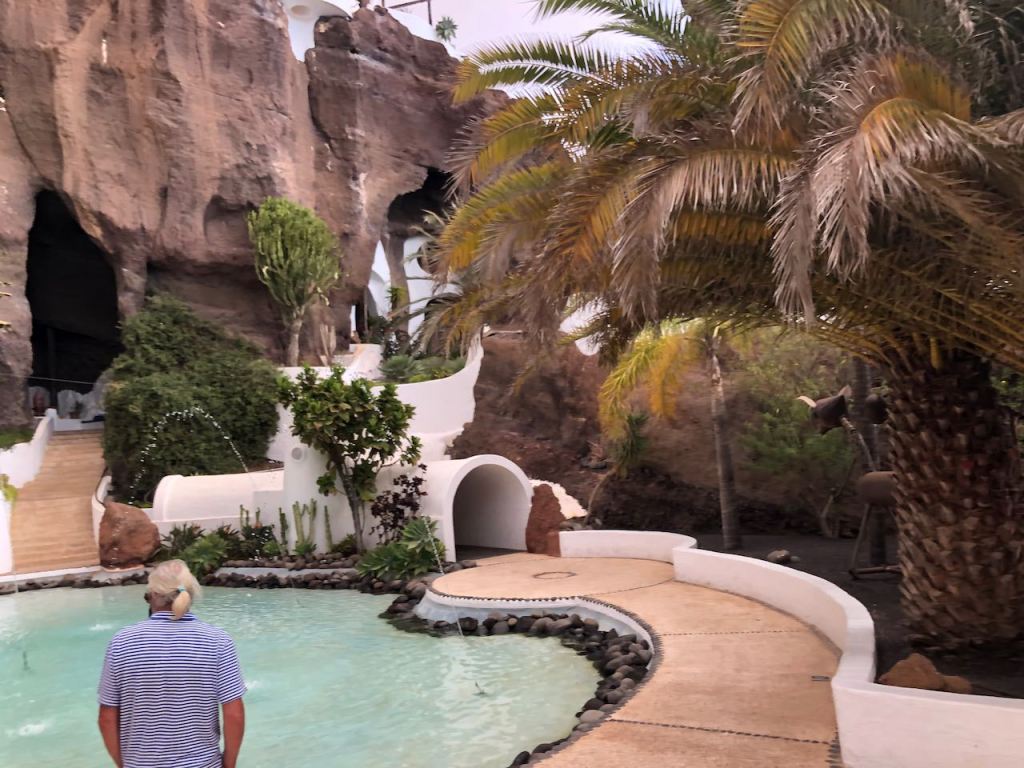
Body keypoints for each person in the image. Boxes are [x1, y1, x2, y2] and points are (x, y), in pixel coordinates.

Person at [97, 560, 246, 768]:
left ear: (153, 596)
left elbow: (106, 718)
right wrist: (229, 764)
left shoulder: (122, 643)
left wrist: (124, 764)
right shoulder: (217, 641)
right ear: (190, 595)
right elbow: (234, 713)